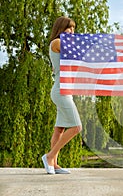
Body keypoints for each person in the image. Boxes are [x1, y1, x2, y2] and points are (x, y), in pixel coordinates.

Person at [42, 16, 82, 174]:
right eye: (69, 28)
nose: (72, 31)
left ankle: (55, 165)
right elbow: (78, 51)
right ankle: (50, 156)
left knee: (59, 129)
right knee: (77, 127)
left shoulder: (63, 45)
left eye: (73, 28)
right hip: (60, 92)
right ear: (60, 28)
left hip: (65, 91)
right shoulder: (57, 42)